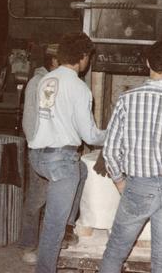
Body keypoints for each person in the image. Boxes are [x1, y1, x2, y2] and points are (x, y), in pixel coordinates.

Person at [100, 40, 162, 273]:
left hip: (138, 185)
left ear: (147, 62)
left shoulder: (127, 100)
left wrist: (118, 180)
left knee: (116, 250)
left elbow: (110, 150)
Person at [28, 32, 105, 273]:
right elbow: (90, 136)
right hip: (60, 160)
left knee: (81, 169)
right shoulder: (79, 88)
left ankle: (69, 227)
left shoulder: (45, 79)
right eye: (88, 58)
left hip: (38, 156)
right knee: (53, 225)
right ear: (83, 57)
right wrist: (112, 133)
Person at [19, 43, 79, 262]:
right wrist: (36, 143)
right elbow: (30, 117)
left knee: (52, 197)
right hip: (41, 147)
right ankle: (27, 245)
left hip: (54, 147)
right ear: (53, 61)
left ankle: (54, 240)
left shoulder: (58, 83)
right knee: (36, 199)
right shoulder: (38, 82)